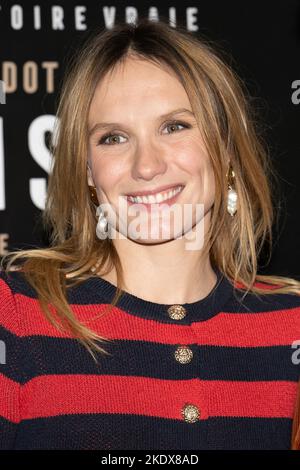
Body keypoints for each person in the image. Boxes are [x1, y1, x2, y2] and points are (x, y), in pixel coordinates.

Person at [0, 18, 299, 450]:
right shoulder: (17, 316)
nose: (146, 165)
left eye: (174, 126)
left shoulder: (289, 327)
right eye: (113, 137)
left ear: (227, 148)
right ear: (86, 170)